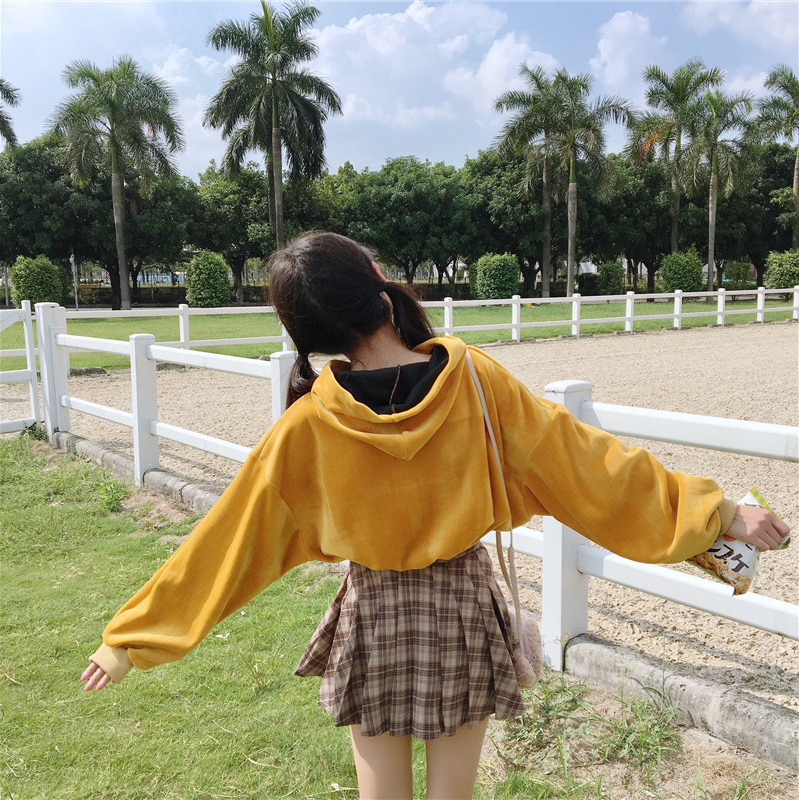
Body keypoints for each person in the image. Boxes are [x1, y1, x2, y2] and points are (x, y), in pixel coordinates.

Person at [81, 232, 790, 800]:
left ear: (310, 332)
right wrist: (720, 513)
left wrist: (131, 640)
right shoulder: (476, 382)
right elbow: (595, 468)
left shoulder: (308, 428)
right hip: (460, 606)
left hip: (374, 613)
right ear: (378, 285)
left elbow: (226, 542)